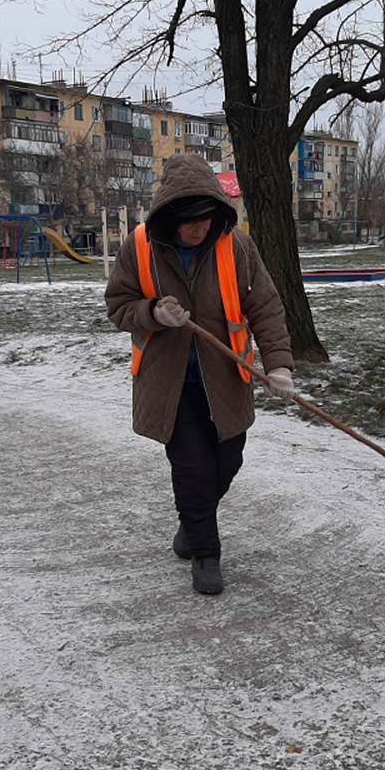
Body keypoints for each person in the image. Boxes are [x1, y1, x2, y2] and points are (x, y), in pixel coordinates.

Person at [105, 153, 296, 595]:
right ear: (169, 216)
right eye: (190, 221)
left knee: (226, 463)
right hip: (170, 385)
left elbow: (264, 307)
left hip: (226, 381)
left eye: (207, 218)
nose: (200, 228)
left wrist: (279, 364)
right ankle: (206, 554)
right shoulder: (139, 246)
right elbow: (118, 307)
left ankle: (191, 525)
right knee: (192, 468)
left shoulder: (237, 246)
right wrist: (153, 312)